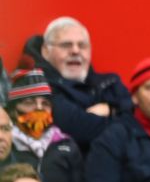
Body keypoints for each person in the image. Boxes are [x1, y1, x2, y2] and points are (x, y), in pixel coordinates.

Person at [23, 17, 132, 151]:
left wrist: (111, 110)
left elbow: (140, 120)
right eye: (66, 45)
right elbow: (80, 129)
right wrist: (118, 117)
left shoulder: (110, 82)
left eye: (82, 45)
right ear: (46, 51)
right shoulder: (37, 85)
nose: (75, 51)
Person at [5, 69, 85, 182]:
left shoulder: (67, 145)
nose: (39, 109)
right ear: (13, 110)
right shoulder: (6, 146)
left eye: (45, 103)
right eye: (30, 102)